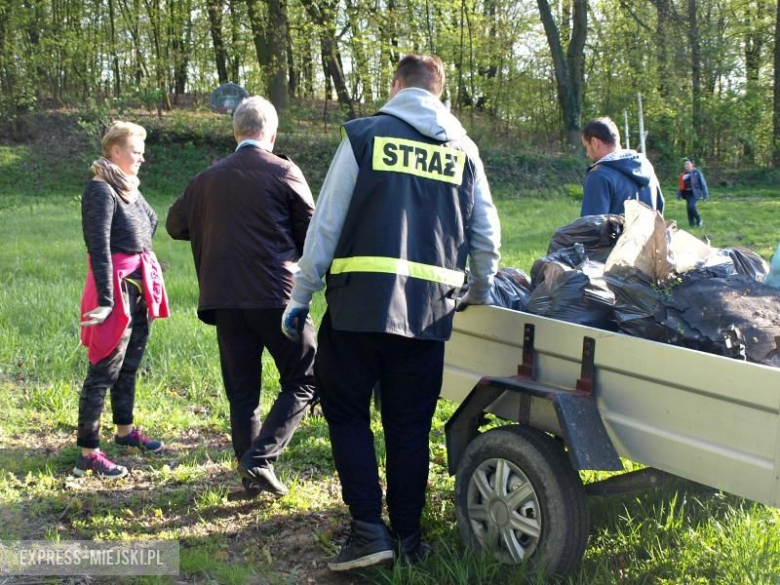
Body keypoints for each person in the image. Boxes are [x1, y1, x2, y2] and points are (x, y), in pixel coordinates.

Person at [281, 54, 501, 570]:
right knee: (408, 425)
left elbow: (327, 222)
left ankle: (366, 531)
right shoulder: (464, 150)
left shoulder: (365, 136)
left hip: (358, 308)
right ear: (439, 92)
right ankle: (407, 536)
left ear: (397, 85)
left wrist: (301, 294)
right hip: (427, 317)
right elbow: (485, 232)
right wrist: (484, 287)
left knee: (349, 416)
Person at [166, 96, 317, 499]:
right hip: (277, 297)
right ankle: (261, 460)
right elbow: (313, 232)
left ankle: (251, 479)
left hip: (225, 300)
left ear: (236, 132)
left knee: (243, 393)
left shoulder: (204, 179)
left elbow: (175, 225)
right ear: (272, 132)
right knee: (305, 379)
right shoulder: (284, 170)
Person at [75, 121, 170, 478]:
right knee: (104, 368)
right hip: (115, 288)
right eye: (135, 150)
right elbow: (98, 247)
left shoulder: (127, 186)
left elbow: (150, 220)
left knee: (130, 363)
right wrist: (105, 298)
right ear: (115, 151)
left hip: (138, 282)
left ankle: (125, 432)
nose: (142, 157)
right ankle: (88, 450)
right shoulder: (101, 190)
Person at [580, 117, 665, 217]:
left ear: (594, 142)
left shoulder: (599, 175)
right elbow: (659, 211)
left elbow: (591, 227)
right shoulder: (645, 166)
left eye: (586, 147)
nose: (587, 154)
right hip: (650, 233)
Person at [676, 157, 708, 228]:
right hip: (687, 194)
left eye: (688, 164)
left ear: (692, 164)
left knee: (692, 206)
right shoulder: (683, 174)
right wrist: (678, 195)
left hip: (695, 193)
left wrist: (705, 195)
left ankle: (699, 219)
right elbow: (680, 186)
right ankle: (692, 225)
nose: (686, 165)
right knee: (688, 209)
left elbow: (703, 184)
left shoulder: (697, 172)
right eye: (685, 164)